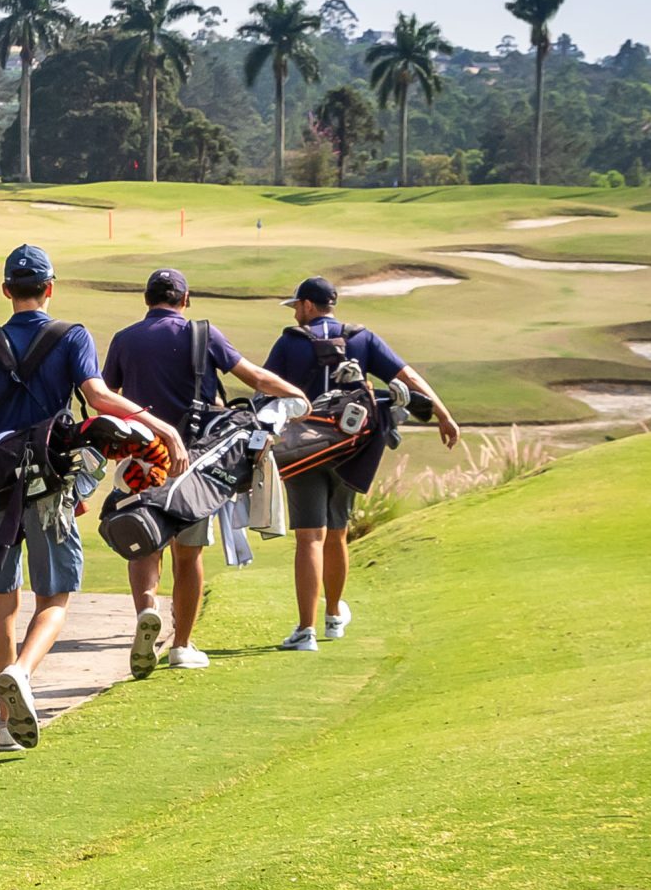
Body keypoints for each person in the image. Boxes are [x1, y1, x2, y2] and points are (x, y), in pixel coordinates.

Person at [0, 245, 188, 750]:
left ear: (5, 291)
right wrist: (160, 426)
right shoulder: (72, 335)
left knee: (1, 599)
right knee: (55, 597)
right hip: (49, 477)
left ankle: (5, 725)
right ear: (50, 289)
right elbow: (98, 397)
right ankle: (22, 671)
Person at [101, 268, 302, 676]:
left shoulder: (124, 339)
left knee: (144, 541)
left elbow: (107, 397)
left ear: (147, 299)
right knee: (188, 553)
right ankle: (182, 645)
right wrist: (295, 395)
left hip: (139, 460)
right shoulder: (203, 334)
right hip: (193, 463)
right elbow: (254, 377)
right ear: (185, 298)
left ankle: (146, 609)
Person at [264, 276, 460, 651]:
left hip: (302, 451)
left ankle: (305, 632)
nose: (296, 313)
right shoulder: (362, 338)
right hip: (350, 449)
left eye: (297, 306)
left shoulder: (290, 342)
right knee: (336, 533)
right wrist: (443, 415)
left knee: (309, 537)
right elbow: (408, 377)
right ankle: (333, 617)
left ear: (308, 305)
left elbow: (265, 387)